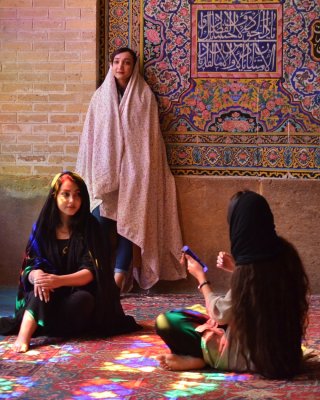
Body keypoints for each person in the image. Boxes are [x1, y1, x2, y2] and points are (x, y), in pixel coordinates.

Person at [155, 190, 310, 379]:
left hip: (253, 357)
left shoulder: (250, 270)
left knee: (168, 321)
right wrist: (237, 268)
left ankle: (202, 359)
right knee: (199, 313)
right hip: (287, 355)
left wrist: (200, 278)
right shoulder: (285, 252)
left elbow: (220, 314)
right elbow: (260, 293)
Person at [76, 47, 186, 291]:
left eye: (126, 63)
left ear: (133, 67)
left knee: (128, 226)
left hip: (135, 175)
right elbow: (91, 138)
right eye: (116, 62)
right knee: (100, 226)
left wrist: (141, 171)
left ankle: (116, 282)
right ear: (111, 65)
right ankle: (97, 277)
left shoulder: (144, 96)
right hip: (104, 174)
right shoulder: (99, 98)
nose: (120, 67)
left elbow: (149, 140)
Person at [0, 171, 140, 353]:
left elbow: (92, 272)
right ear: (54, 196)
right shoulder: (43, 228)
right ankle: (24, 336)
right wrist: (37, 276)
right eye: (65, 194)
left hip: (76, 294)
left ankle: (46, 324)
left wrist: (58, 280)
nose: (71, 201)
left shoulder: (90, 227)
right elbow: (31, 265)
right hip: (47, 294)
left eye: (77, 195)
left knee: (84, 300)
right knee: (40, 290)